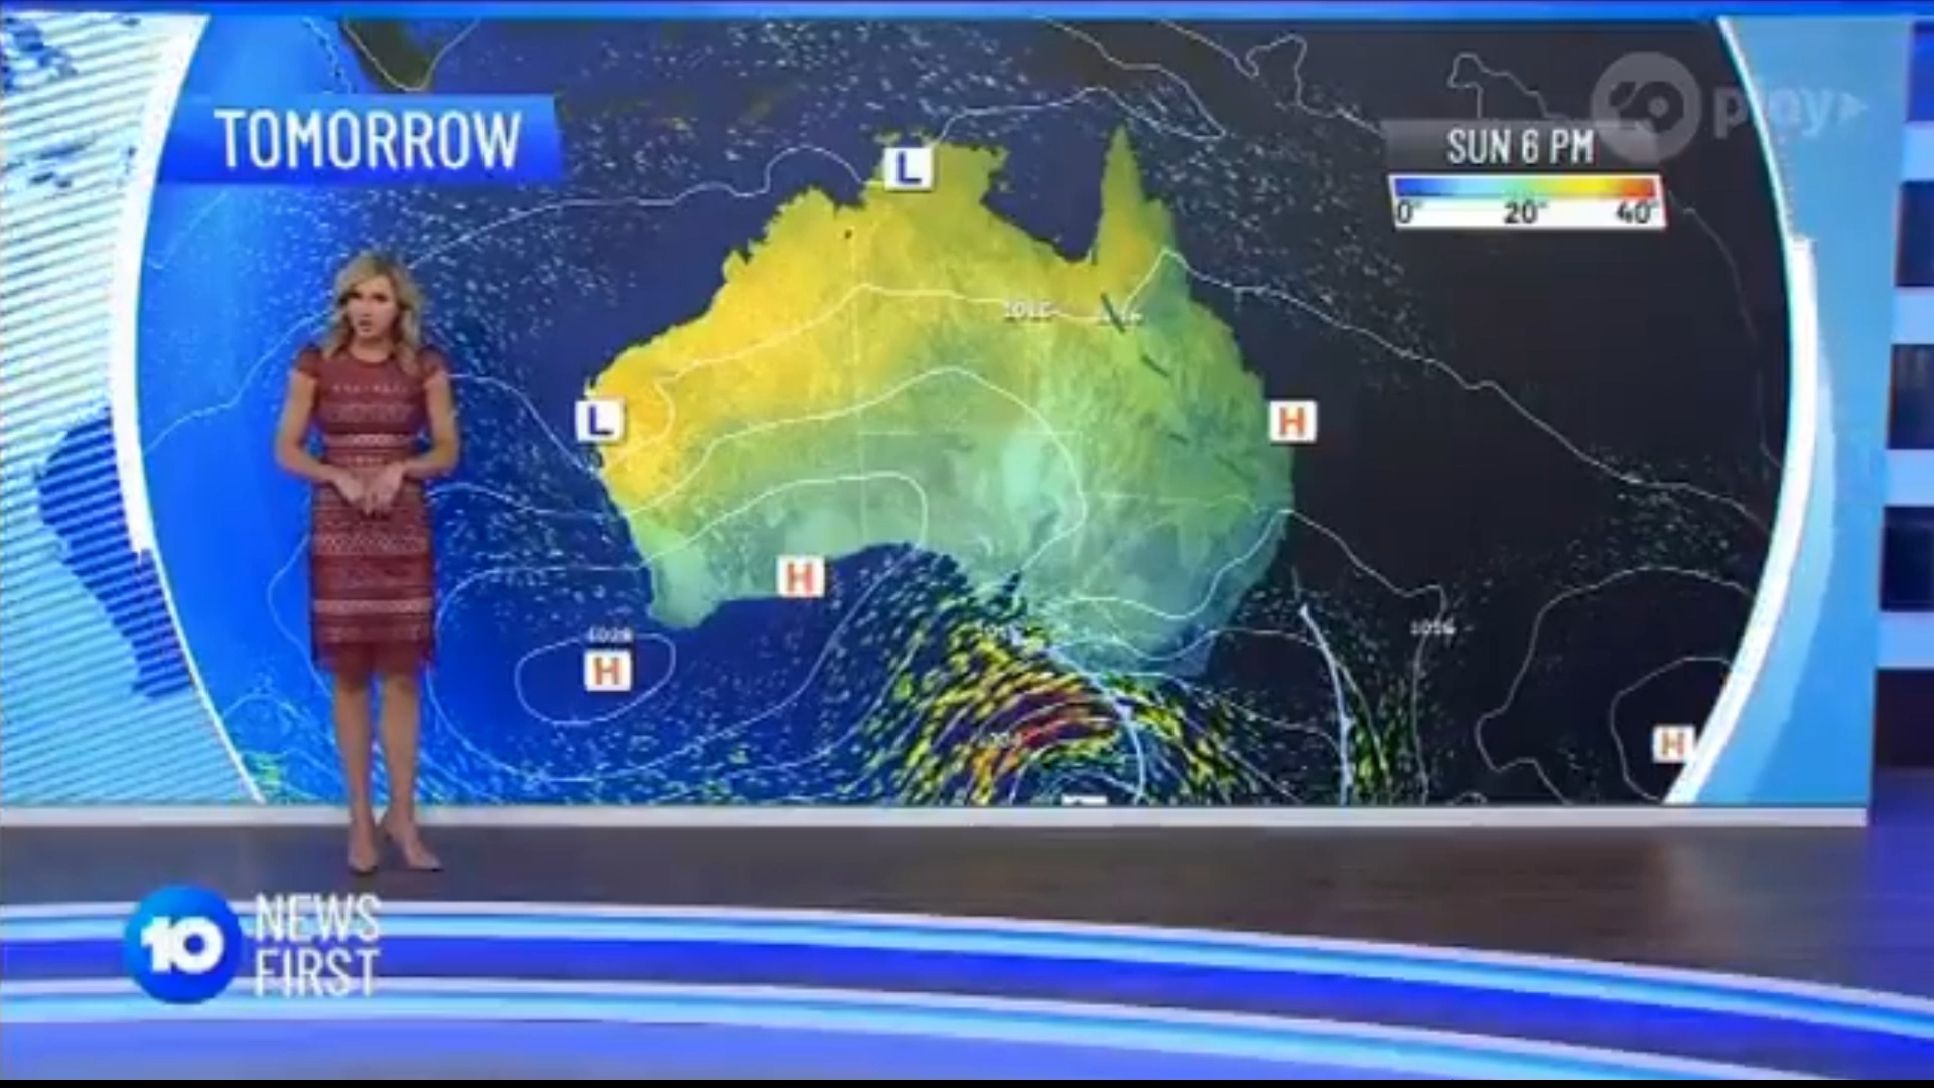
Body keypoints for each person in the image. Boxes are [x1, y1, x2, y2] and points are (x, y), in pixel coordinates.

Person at [273, 251, 460, 874]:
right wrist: (336, 476)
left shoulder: (424, 366)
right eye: (356, 297)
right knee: (350, 676)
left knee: (403, 677)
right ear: (343, 305)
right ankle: (359, 821)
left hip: (402, 532)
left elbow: (447, 450)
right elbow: (287, 449)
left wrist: (402, 467)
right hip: (340, 531)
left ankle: (402, 818)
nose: (365, 309)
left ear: (399, 306)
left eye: (378, 298)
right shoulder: (315, 363)